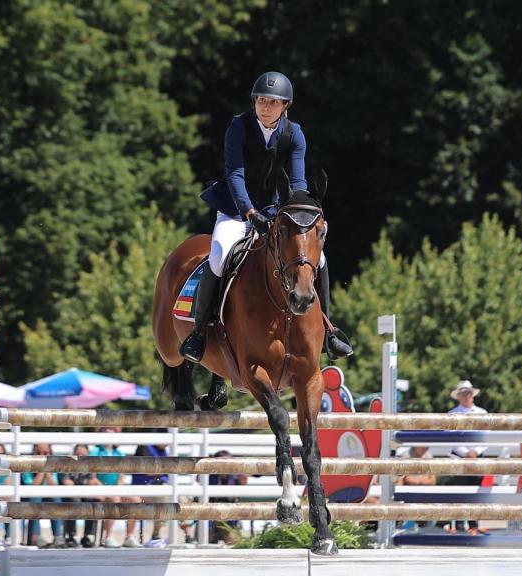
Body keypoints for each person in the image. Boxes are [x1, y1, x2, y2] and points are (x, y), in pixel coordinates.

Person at [180, 71, 353, 363]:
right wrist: (249, 212)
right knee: (219, 256)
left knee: (318, 260)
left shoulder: (294, 133)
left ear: (285, 106)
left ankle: (328, 329)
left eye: (273, 102)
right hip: (236, 210)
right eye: (261, 100)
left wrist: (297, 213)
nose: (265, 107)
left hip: (275, 212)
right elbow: (235, 175)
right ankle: (199, 333)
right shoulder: (239, 127)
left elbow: (297, 182)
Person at [446, 380, 488, 535]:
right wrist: (466, 452)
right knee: (459, 491)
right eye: (464, 393)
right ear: (458, 396)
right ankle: (457, 524)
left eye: (468, 393)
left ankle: (473, 525)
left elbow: (487, 437)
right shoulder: (452, 414)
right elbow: (451, 438)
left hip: (476, 456)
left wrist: (475, 451)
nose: (467, 396)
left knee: (475, 491)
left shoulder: (482, 413)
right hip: (460, 456)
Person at [89, 427, 140, 547]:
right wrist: (107, 490)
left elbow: (121, 477)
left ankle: (130, 537)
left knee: (135, 500)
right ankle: (108, 537)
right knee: (114, 499)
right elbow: (92, 478)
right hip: (99, 490)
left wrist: (117, 488)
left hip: (116, 489)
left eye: (111, 430)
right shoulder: (95, 452)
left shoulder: (119, 453)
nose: (108, 432)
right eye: (105, 430)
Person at [20, 443, 66, 547]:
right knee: (36, 499)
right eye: (38, 453)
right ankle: (36, 536)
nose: (42, 455)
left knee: (55, 499)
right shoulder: (27, 465)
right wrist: (42, 470)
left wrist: (47, 471)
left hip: (48, 496)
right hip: (30, 497)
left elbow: (54, 486)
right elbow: (33, 486)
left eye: (45, 453)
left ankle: (58, 536)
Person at [60, 444, 100, 548]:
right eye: (78, 454)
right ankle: (71, 536)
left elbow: (92, 482)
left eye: (83, 454)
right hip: (71, 494)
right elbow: (67, 482)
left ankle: (88, 535)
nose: (80, 457)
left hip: (85, 493)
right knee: (74, 501)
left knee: (93, 502)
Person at [207, 450, 247, 544]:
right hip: (211, 514)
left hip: (229, 516)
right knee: (207, 539)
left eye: (228, 462)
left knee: (232, 540)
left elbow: (239, 492)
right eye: (222, 462)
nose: (226, 465)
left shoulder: (236, 476)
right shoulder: (210, 476)